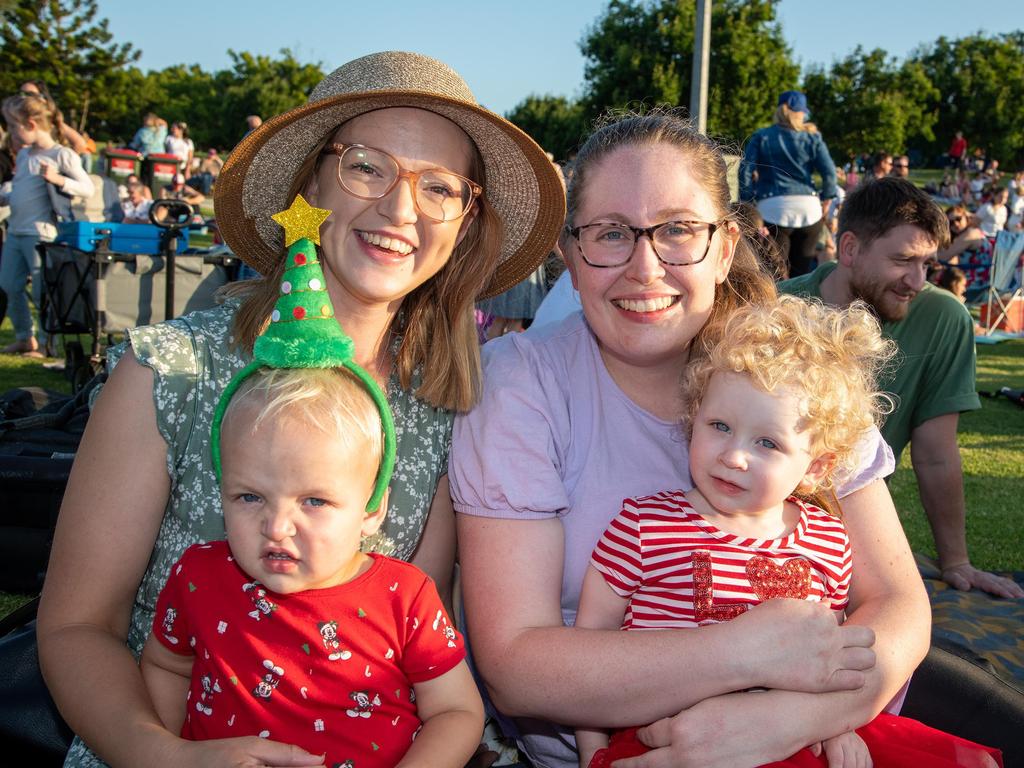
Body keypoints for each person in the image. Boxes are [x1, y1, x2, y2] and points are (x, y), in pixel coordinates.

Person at [37, 50, 563, 768]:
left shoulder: (448, 406)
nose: (400, 209)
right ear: (311, 180)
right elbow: (74, 626)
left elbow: (416, 648)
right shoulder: (173, 372)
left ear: (466, 222)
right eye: (367, 167)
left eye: (438, 186)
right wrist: (164, 756)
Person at [451, 110, 930, 768]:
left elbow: (899, 601)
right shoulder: (523, 386)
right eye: (611, 234)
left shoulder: (795, 370)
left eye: (677, 230)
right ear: (570, 255)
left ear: (726, 244)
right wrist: (743, 654)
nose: (645, 268)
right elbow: (515, 664)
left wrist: (793, 717)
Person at [575, 296, 1003, 768]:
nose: (734, 455)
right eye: (719, 425)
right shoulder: (643, 526)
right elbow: (589, 651)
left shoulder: (827, 540)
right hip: (667, 736)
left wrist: (837, 722)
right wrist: (594, 755)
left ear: (816, 467)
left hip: (797, 731)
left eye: (766, 442)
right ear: (693, 418)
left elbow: (830, 656)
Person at [141, 255, 483, 767]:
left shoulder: (404, 598)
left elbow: (455, 711)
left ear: (372, 507)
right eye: (249, 497)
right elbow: (166, 667)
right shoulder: (198, 578)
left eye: (315, 501)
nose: (277, 527)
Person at [779, 177, 1023, 599]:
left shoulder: (943, 318)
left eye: (927, 264)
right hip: (755, 514)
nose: (916, 279)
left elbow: (935, 455)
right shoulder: (778, 306)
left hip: (855, 529)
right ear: (850, 249)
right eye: (903, 260)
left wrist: (956, 562)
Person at [0, 93, 94, 356]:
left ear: (31, 124)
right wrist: (7, 195)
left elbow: (87, 188)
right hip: (16, 230)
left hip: (41, 234)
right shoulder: (24, 155)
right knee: (8, 285)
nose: (11, 133)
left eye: (13, 126)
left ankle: (45, 342)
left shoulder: (61, 155)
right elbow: (21, 187)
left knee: (43, 290)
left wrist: (58, 180)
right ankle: (24, 336)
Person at [739, 90, 837, 278]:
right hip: (809, 208)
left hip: (772, 208)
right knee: (802, 276)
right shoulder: (812, 138)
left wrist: (747, 201)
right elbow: (829, 173)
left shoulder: (762, 136)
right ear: (801, 113)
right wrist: (827, 198)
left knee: (774, 274)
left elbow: (745, 170)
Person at [17, 79, 89, 155]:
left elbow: (80, 144)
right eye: (21, 93)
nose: (23, 97)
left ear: (42, 98)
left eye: (29, 94)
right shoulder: (13, 118)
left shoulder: (50, 121)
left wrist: (60, 161)